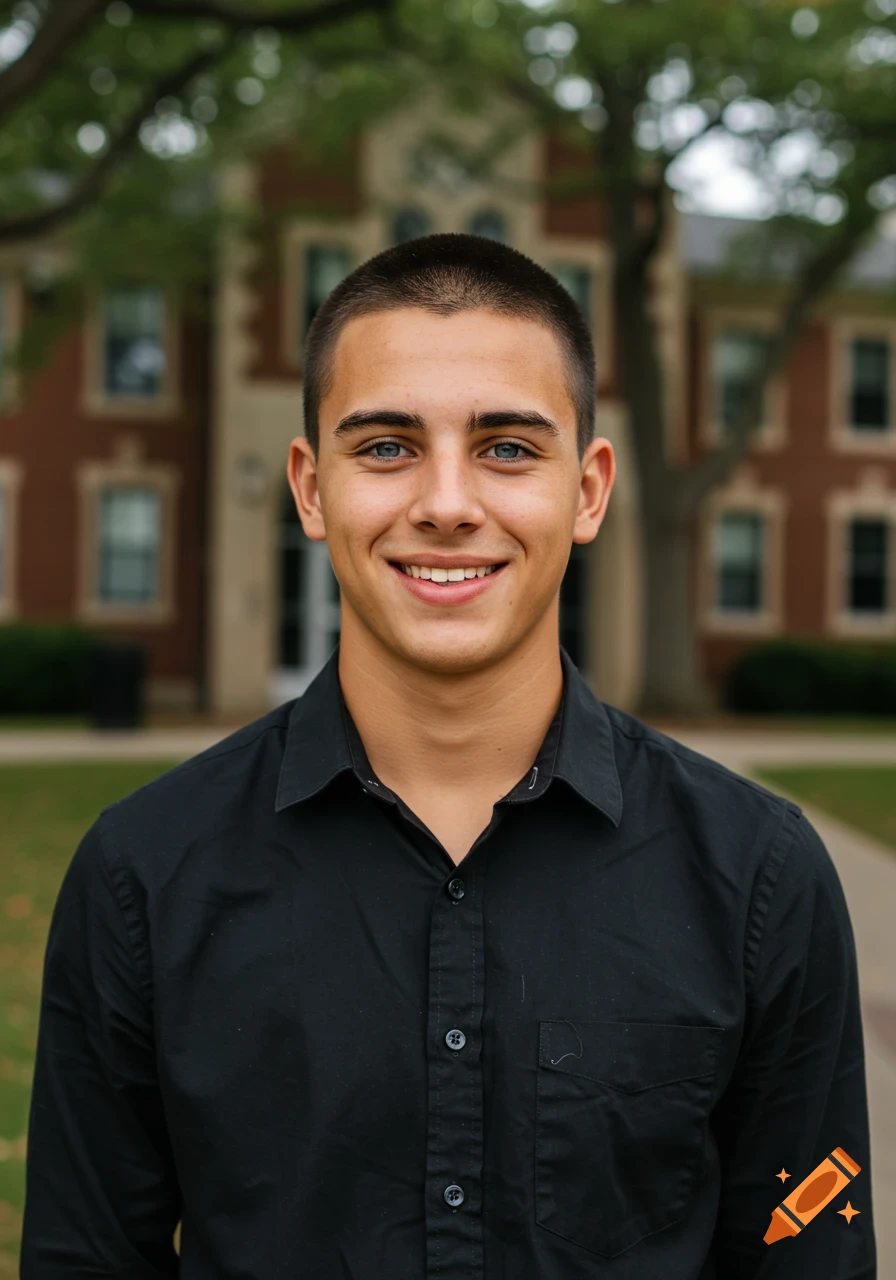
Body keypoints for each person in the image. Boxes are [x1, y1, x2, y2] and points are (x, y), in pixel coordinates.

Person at [22, 234, 875, 1279]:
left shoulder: (757, 878)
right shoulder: (142, 876)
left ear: (588, 488)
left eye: (507, 447)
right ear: (310, 487)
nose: (445, 501)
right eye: (384, 445)